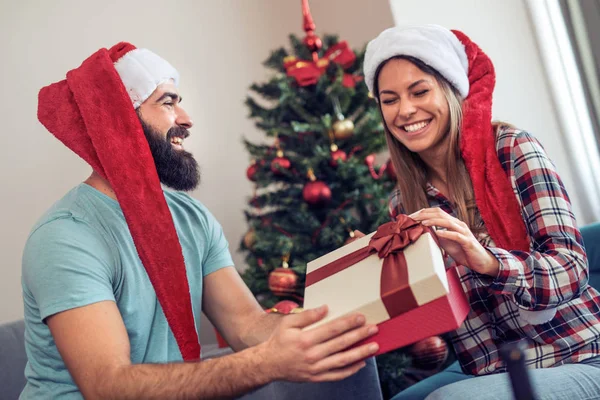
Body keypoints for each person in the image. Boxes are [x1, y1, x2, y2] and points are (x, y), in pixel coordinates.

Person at [20, 42, 383, 400]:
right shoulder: (66, 237)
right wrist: (265, 363)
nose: (186, 119)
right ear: (119, 119)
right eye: (167, 102)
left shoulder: (191, 217)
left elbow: (248, 325)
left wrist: (343, 321)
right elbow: (109, 386)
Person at [360, 24, 600, 400]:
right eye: (389, 100)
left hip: (579, 356)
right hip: (489, 372)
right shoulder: (404, 204)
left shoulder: (512, 150)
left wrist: (488, 261)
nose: (405, 110)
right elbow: (438, 320)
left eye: (419, 91)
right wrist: (378, 280)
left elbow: (572, 269)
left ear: (451, 89)